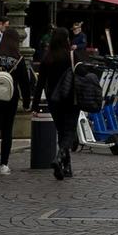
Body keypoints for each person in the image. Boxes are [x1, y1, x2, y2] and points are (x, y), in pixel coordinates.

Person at [0, 27, 32, 174]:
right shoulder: (19, 59)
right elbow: (24, 83)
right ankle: (4, 164)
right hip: (10, 97)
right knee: (7, 130)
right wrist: (27, 101)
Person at [35, 27, 78, 179]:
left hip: (53, 99)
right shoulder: (71, 56)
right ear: (67, 39)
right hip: (71, 98)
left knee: (61, 131)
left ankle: (66, 167)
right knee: (70, 131)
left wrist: (34, 106)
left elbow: (40, 83)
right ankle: (59, 157)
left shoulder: (48, 58)